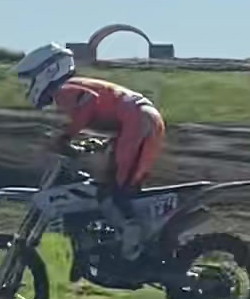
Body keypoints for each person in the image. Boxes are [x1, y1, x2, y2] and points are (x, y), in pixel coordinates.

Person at [15, 43, 166, 259]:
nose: (28, 87)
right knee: (118, 185)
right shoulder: (73, 87)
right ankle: (119, 244)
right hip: (141, 119)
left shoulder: (64, 90)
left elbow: (88, 104)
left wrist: (65, 137)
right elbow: (104, 110)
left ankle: (132, 235)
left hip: (137, 119)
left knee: (118, 186)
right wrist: (95, 143)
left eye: (30, 80)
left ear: (46, 71)